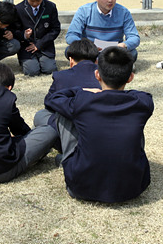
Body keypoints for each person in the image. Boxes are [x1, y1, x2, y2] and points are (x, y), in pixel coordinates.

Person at [44, 47, 154, 203]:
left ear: (97, 74)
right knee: (135, 120)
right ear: (130, 77)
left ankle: (68, 158)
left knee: (63, 114)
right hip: (133, 188)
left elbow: (53, 99)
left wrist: (82, 90)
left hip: (81, 187)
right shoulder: (143, 102)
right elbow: (140, 94)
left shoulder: (82, 101)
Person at [65, 0, 140, 60]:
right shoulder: (84, 11)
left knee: (133, 53)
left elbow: (134, 37)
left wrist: (124, 45)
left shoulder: (123, 12)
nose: (110, 0)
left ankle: (97, 63)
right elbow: (71, 35)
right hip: (90, 52)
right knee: (69, 50)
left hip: (114, 52)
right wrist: (87, 47)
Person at [14, 0, 61, 76]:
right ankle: (26, 61)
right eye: (32, 1)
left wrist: (39, 44)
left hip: (45, 46)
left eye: (38, 1)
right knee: (32, 71)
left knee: (50, 69)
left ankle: (43, 59)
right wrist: (24, 35)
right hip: (27, 48)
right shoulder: (18, 9)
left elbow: (55, 29)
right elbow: (14, 30)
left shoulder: (51, 7)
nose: (35, 3)